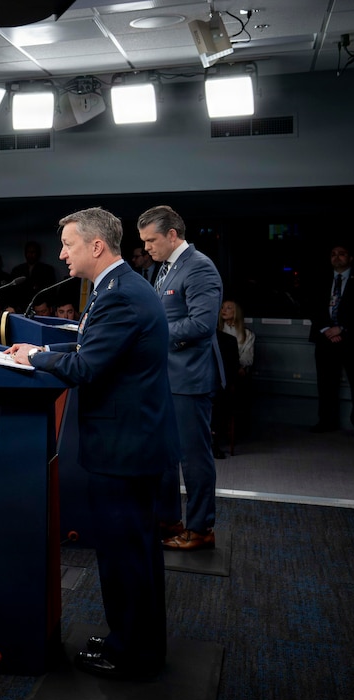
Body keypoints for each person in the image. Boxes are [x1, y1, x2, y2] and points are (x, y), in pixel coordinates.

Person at [7, 206, 178, 681]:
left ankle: (134, 654)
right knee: (131, 551)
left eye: (68, 244)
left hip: (125, 447)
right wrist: (40, 353)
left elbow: (87, 368)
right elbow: (91, 347)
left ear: (96, 246)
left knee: (127, 554)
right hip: (131, 441)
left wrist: (38, 357)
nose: (62, 253)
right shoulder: (117, 288)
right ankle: (132, 638)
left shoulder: (120, 294)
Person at [138, 205, 223, 552]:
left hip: (190, 379)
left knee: (194, 457)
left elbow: (203, 325)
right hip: (165, 378)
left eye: (151, 240)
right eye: (143, 241)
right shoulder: (164, 268)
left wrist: (153, 332)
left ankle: (201, 528)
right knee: (167, 456)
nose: (146, 248)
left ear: (172, 235)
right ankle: (169, 520)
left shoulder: (200, 267)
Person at [309, 245, 354, 438]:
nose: (336, 257)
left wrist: (342, 328)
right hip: (325, 339)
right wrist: (326, 329)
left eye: (341, 254)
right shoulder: (321, 279)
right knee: (325, 383)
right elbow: (312, 305)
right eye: (333, 254)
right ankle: (326, 421)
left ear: (351, 258)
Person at [219, 300, 255, 372]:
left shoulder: (248, 334)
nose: (224, 310)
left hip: (236, 370)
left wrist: (238, 366)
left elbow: (248, 356)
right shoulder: (217, 331)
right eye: (222, 307)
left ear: (236, 312)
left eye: (228, 308)